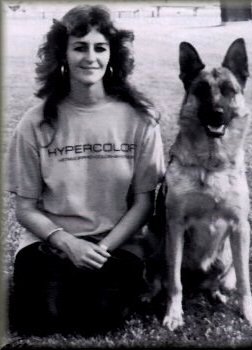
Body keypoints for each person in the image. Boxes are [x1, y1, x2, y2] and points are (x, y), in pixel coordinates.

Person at [6, 4, 165, 335]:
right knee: (38, 322)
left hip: (116, 247)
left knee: (95, 321)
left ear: (112, 56)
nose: (90, 57)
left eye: (100, 48)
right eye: (79, 47)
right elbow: (25, 208)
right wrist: (67, 243)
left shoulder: (140, 120)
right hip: (49, 242)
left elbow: (144, 203)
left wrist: (101, 248)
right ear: (62, 54)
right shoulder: (34, 123)